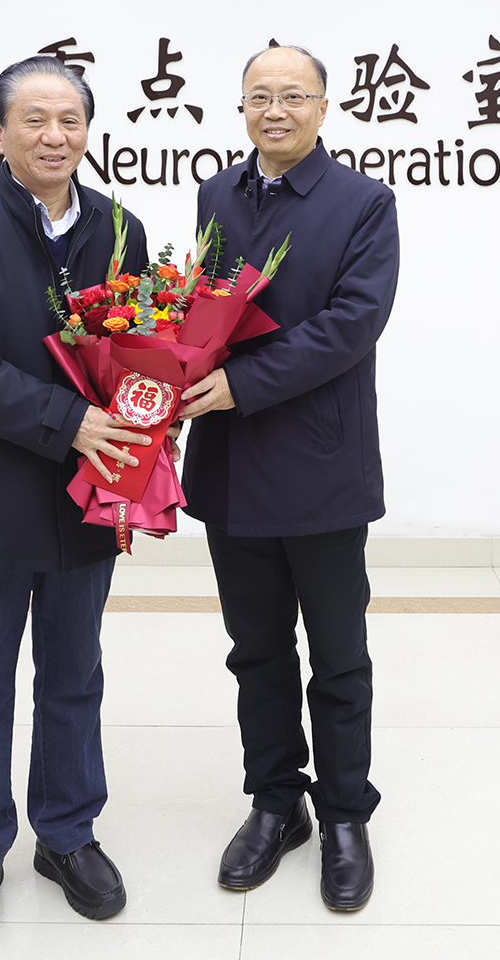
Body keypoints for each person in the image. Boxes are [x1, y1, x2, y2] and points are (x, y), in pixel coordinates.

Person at [0, 55, 152, 954]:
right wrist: (68, 420)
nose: (55, 136)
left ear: (88, 130)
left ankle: (67, 835)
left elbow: (145, 350)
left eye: (71, 120)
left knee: (74, 675)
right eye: (35, 120)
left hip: (86, 499)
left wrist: (144, 433)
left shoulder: (120, 230)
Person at [177, 44, 399, 912]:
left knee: (338, 656)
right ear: (241, 107)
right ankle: (276, 804)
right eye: (260, 96)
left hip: (321, 463)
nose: (276, 110)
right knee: (257, 651)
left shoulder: (363, 203)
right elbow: (204, 309)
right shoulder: (217, 194)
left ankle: (344, 814)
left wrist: (243, 383)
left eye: (294, 95)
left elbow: (353, 322)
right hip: (232, 463)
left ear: (323, 108)